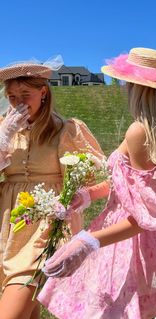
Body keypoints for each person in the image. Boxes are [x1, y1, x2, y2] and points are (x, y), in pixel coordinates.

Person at [38, 47, 156, 319]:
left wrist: (88, 241)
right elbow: (129, 188)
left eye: (126, 82)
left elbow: (145, 215)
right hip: (143, 239)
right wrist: (89, 194)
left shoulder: (139, 132)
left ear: (137, 87)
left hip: (124, 238)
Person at [0, 57, 104, 319]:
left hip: (44, 228)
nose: (18, 102)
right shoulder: (5, 128)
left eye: (25, 94)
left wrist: (84, 195)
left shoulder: (65, 129)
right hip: (7, 224)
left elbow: (107, 178)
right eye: (12, 96)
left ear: (43, 92)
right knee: (26, 311)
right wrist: (4, 138)